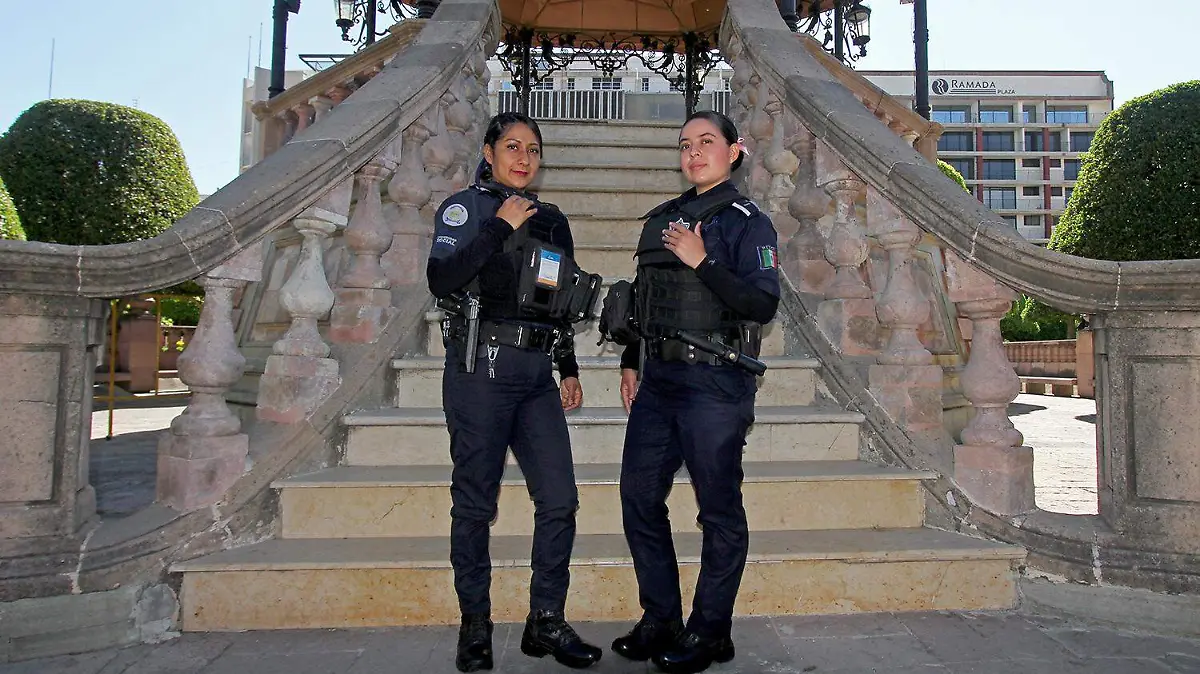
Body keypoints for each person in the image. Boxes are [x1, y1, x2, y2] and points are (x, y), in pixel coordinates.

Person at [427, 111, 603, 673]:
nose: (523, 157)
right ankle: (475, 624)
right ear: (489, 151)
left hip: (535, 375)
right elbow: (442, 278)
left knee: (560, 499)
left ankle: (545, 621)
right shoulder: (465, 208)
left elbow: (555, 300)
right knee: (475, 504)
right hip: (479, 368)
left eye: (532, 149)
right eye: (512, 146)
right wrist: (499, 225)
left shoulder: (552, 221)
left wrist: (569, 368)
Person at [610, 110, 781, 674]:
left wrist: (702, 260)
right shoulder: (661, 219)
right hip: (658, 383)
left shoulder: (746, 222)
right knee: (638, 497)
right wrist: (633, 360)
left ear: (735, 150)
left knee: (719, 512)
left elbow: (762, 305)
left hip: (715, 382)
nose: (694, 152)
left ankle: (710, 631)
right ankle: (661, 618)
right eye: (685, 144)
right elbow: (645, 302)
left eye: (707, 142)